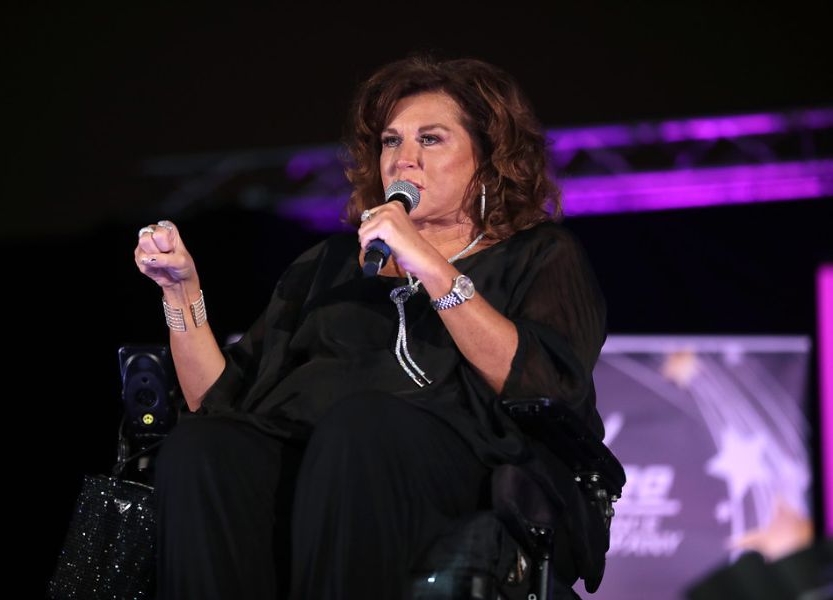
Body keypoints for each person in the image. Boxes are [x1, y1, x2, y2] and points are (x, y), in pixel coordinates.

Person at [133, 55, 608, 600]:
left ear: (488, 158)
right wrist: (181, 290)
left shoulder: (541, 255)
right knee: (202, 449)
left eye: (430, 140)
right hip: (315, 465)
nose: (403, 160)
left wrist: (430, 264)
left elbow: (544, 383)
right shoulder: (326, 265)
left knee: (361, 425)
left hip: (459, 471)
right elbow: (218, 403)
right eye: (390, 142)